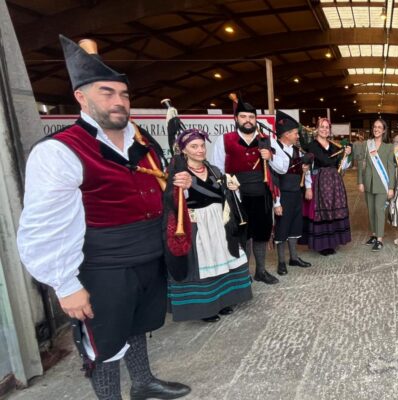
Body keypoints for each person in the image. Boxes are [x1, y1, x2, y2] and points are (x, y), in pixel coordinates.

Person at [17, 35, 190, 400]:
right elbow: (43, 226)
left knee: (137, 326)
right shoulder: (60, 151)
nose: (118, 101)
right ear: (81, 96)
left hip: (148, 257)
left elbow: (156, 193)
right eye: (106, 92)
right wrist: (65, 284)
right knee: (104, 344)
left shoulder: (144, 144)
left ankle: (143, 383)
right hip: (102, 266)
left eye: (124, 94)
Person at [168, 129, 252, 323]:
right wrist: (186, 188)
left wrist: (232, 189)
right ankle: (206, 308)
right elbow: (172, 201)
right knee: (204, 263)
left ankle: (223, 300)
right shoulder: (179, 174)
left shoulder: (214, 169)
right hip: (197, 223)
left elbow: (223, 197)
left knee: (223, 258)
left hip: (218, 220)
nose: (200, 150)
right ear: (184, 150)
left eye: (202, 146)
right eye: (194, 147)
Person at [210, 96, 279, 285]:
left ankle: (261, 271)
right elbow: (217, 170)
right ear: (236, 119)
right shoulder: (225, 140)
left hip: (262, 195)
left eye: (251, 117)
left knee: (262, 234)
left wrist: (270, 156)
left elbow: (281, 167)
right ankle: (244, 274)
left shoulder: (265, 140)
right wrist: (226, 188)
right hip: (237, 197)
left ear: (256, 120)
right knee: (243, 236)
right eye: (243, 116)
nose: (248, 120)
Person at [271, 111, 314, 275]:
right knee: (282, 228)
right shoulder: (274, 150)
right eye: (295, 133)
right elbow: (274, 177)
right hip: (283, 195)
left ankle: (294, 258)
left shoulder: (297, 149)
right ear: (286, 134)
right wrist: (277, 203)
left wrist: (308, 186)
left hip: (296, 193)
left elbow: (306, 171)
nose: (298, 136)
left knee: (295, 226)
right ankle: (281, 261)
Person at [303, 118, 352, 256]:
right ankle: (323, 245)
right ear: (317, 129)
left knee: (334, 211)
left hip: (335, 182)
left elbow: (342, 167)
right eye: (322, 127)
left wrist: (346, 156)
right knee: (323, 212)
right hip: (319, 182)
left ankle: (333, 241)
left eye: (327, 127)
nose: (324, 129)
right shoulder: (311, 146)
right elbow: (308, 169)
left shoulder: (334, 145)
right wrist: (308, 187)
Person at [355, 119, 397, 251]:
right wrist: (360, 181)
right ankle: (374, 235)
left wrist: (391, 187)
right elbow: (361, 165)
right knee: (371, 211)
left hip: (382, 185)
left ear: (384, 130)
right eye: (375, 127)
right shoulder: (367, 144)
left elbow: (391, 168)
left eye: (380, 127)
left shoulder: (389, 147)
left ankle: (379, 239)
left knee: (379, 211)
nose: (377, 129)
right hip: (368, 183)